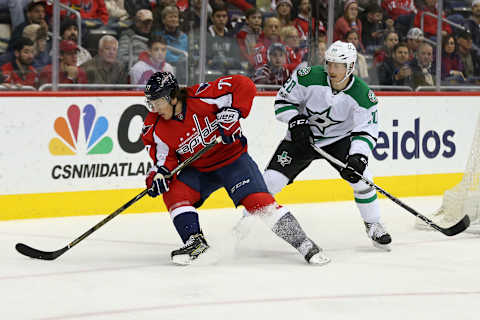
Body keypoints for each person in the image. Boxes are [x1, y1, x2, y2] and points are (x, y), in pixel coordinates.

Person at [141, 71, 330, 265]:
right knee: (173, 192)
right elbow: (164, 160)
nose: (155, 108)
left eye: (158, 102)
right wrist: (159, 175)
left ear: (173, 96)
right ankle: (195, 243)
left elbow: (244, 84)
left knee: (259, 203)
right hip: (199, 169)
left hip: (233, 161)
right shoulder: (153, 125)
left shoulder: (203, 96)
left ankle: (304, 243)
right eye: (151, 103)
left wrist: (235, 111)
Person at [238, 40, 392, 251]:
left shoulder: (363, 96)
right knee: (270, 182)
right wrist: (295, 119)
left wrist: (359, 156)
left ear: (350, 67)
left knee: (363, 179)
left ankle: (373, 224)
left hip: (338, 141)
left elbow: (365, 131)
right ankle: (244, 224)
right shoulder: (308, 76)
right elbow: (282, 102)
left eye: (338, 65)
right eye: (329, 63)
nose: (331, 69)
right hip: (301, 139)